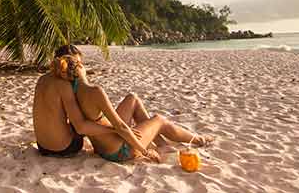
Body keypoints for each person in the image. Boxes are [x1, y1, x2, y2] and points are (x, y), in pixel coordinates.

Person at [68, 51, 214, 163]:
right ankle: (198, 140)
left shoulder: (69, 93)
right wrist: (144, 151)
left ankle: (160, 143)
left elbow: (81, 126)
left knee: (132, 99)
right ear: (80, 66)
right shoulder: (94, 91)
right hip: (120, 151)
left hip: (102, 148)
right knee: (159, 119)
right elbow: (121, 127)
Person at [32, 45, 134, 157]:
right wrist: (114, 129)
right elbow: (81, 127)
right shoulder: (64, 85)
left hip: (42, 147)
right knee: (85, 114)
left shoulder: (41, 79)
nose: (78, 67)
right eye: (76, 63)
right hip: (63, 148)